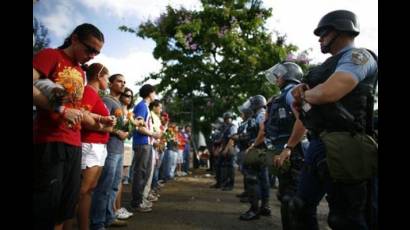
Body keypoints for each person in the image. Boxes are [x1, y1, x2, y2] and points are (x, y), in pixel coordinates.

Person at [290, 10, 378, 230]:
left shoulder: (358, 57)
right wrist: (300, 100)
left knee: (347, 219)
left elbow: (329, 93)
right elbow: (308, 109)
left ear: (340, 30)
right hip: (319, 143)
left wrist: (304, 95)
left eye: (324, 33)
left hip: (347, 145)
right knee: (298, 207)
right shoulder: (324, 67)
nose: (319, 38)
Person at [33, 23, 104, 230]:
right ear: (74, 39)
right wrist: (61, 110)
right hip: (50, 142)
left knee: (65, 210)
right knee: (44, 209)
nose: (92, 56)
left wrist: (98, 119)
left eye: (97, 53)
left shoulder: (80, 72)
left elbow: (77, 109)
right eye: (89, 49)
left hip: (74, 143)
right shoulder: (50, 55)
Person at [263, 62, 306, 230]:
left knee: (291, 198)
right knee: (285, 195)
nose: (276, 78)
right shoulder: (282, 95)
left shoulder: (290, 93)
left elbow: (303, 121)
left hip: (294, 153)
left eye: (279, 75)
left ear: (289, 75)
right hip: (287, 152)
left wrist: (288, 148)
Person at [77, 63, 116, 230]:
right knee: (82, 191)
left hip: (99, 145)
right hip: (90, 144)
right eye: (107, 78)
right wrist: (104, 126)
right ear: (100, 77)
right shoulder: (88, 91)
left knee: (90, 189)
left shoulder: (96, 95)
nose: (107, 81)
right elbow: (82, 117)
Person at [90, 74, 129, 229]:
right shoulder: (106, 100)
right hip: (110, 148)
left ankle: (109, 217)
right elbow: (101, 121)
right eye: (119, 81)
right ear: (111, 83)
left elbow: (122, 126)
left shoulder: (119, 103)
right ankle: (97, 222)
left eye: (124, 82)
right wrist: (116, 132)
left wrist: (126, 131)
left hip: (119, 149)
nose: (122, 84)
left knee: (113, 186)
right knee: (104, 186)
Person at [129, 84, 161, 213]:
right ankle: (136, 202)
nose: (155, 95)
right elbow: (139, 126)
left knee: (144, 173)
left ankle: (140, 200)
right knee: (140, 173)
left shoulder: (144, 106)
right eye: (154, 93)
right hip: (142, 143)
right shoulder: (142, 106)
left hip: (145, 143)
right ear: (150, 93)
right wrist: (153, 134)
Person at [239, 95, 270, 220]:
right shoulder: (259, 114)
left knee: (253, 179)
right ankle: (264, 207)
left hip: (257, 149)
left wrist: (252, 146)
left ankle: (254, 209)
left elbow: (263, 131)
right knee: (263, 178)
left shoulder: (261, 114)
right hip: (261, 150)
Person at [114, 87, 136, 220]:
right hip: (118, 145)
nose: (128, 98)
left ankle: (118, 207)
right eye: (126, 95)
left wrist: (133, 125)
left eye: (131, 96)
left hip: (127, 145)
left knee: (121, 178)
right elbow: (119, 128)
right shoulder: (118, 109)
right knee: (117, 179)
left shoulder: (128, 111)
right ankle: (115, 208)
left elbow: (130, 130)